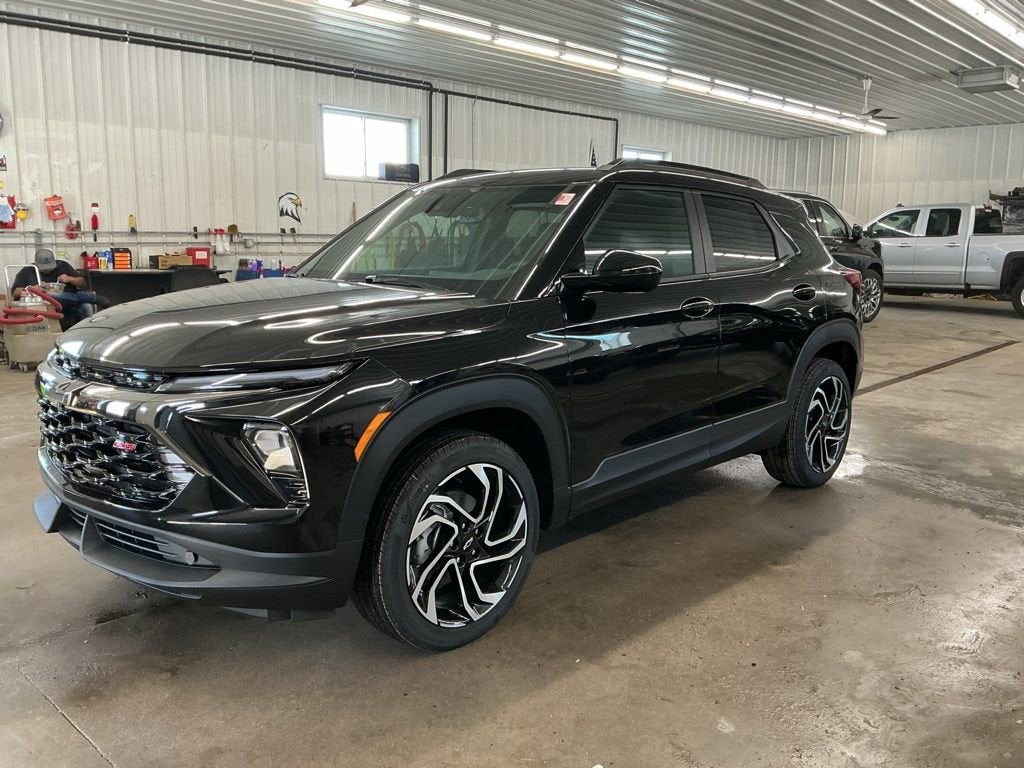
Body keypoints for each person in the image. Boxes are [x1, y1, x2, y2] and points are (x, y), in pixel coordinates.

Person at [11, 249, 108, 329]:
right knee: (49, 295)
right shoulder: (28, 270)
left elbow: (82, 282)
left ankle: (87, 334)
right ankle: (90, 297)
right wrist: (32, 289)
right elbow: (15, 292)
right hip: (46, 305)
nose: (48, 270)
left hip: (69, 303)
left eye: (50, 267)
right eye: (44, 268)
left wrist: (70, 279)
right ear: (36, 263)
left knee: (86, 306)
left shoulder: (63, 265)